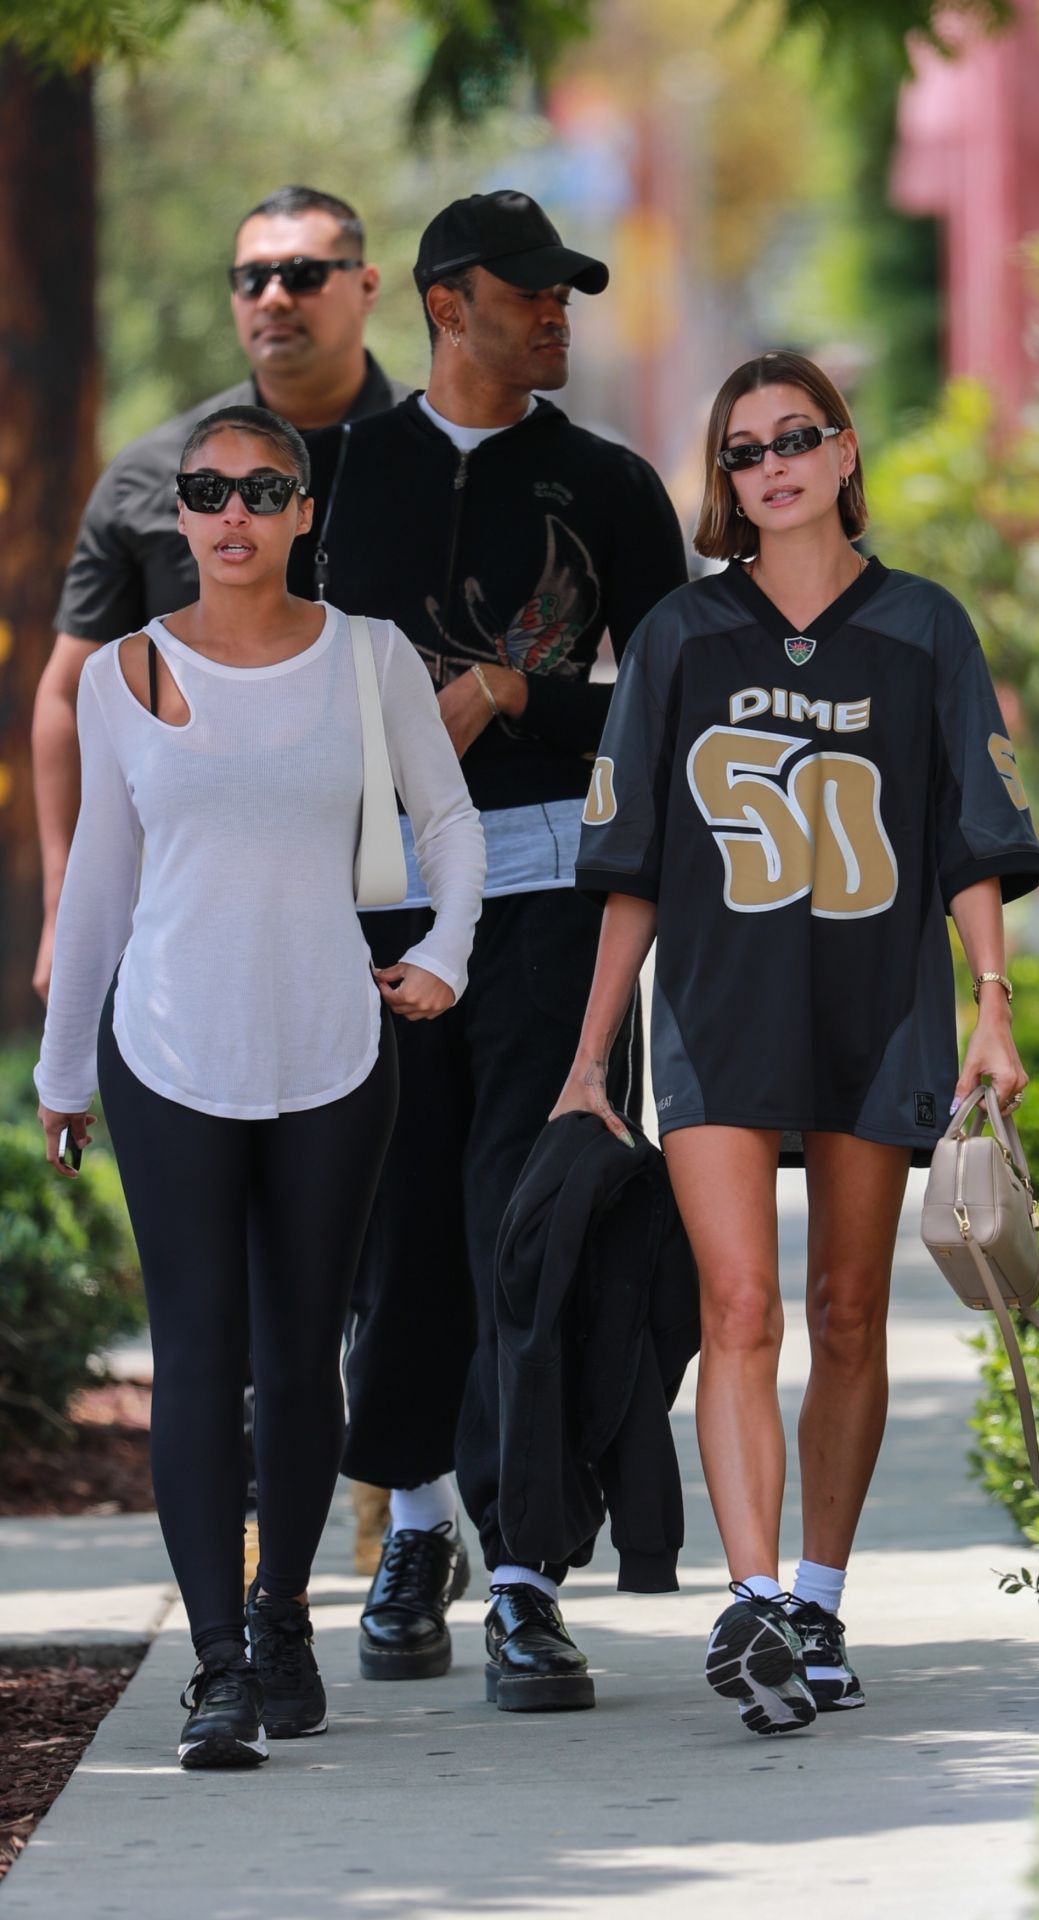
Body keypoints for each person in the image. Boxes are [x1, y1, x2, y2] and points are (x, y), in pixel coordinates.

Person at [554, 349, 1039, 1736]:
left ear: (842, 456)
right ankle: (754, 1600)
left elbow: (971, 842)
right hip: (716, 1010)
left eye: (795, 439)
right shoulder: (678, 641)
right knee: (738, 1311)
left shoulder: (928, 631)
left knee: (845, 1311)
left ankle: (820, 1596)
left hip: (875, 1012)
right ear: (728, 482)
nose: (771, 467)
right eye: (744, 450)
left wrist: (993, 1004)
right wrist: (593, 1058)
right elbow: (634, 869)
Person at [33, 405, 485, 1770]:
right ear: (181, 516)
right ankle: (219, 1666)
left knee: (301, 1358)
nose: (232, 512)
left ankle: (284, 1618)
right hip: (167, 1051)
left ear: (302, 515)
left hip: (333, 1055)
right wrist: (63, 1067)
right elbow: (100, 885)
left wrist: (446, 956)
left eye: (262, 488)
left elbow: (448, 820)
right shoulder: (121, 674)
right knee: (200, 1357)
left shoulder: (371, 658)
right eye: (207, 490)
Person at [289, 189, 687, 1707]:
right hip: (362, 913)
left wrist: (528, 702)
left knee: (532, 1225)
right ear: (447, 306)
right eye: (531, 296)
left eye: (567, 298)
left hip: (548, 903)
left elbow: (672, 699)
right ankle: (415, 1530)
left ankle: (525, 1573)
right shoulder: (333, 479)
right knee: (395, 1236)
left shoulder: (610, 486)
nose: (557, 319)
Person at [31, 184, 409, 1002]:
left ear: (367, 285)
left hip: (399, 903)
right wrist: (67, 904)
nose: (275, 296)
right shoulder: (151, 474)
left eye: (305, 273)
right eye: (253, 279)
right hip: (196, 909)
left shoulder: (431, 463)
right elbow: (67, 695)